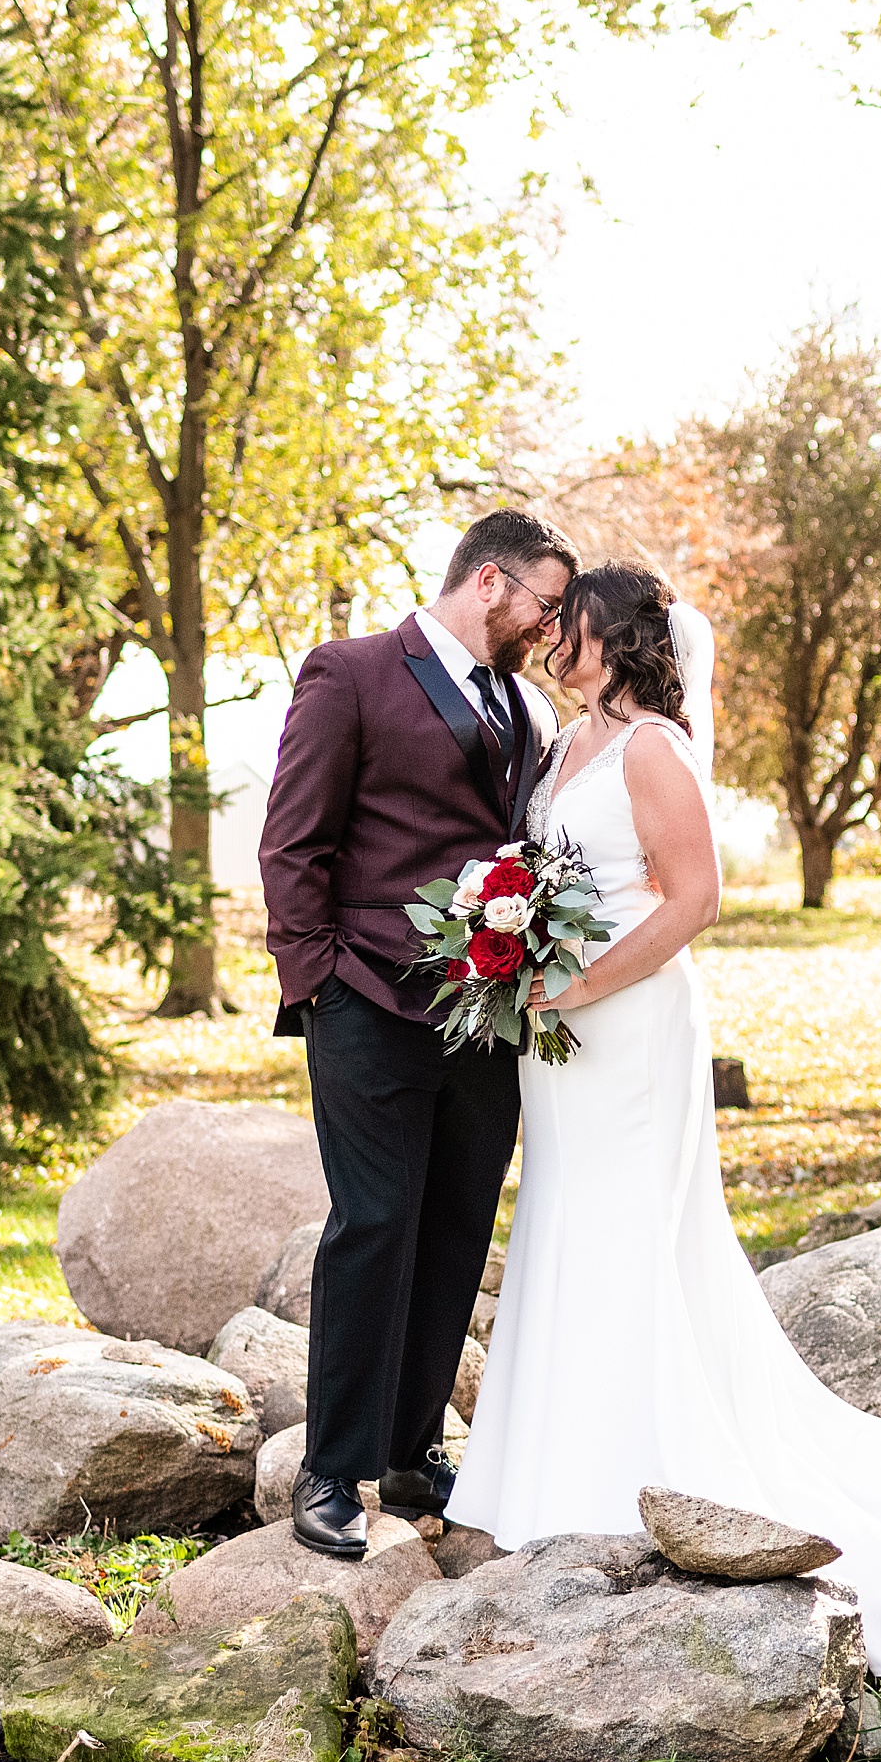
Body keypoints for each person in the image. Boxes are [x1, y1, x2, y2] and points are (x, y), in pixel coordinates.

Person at [445, 561, 881, 1674]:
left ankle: (622, 1467)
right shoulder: (562, 739)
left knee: (626, 1229)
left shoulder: (653, 748)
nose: (551, 628)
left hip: (626, 1028)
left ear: (614, 633)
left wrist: (581, 983)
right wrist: (517, 938)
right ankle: (542, 1468)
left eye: (569, 616)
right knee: (562, 1222)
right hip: (558, 1041)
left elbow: (694, 900)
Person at [259, 508, 579, 1559]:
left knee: (453, 1228)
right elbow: (292, 842)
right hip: (367, 1002)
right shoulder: (348, 671)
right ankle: (329, 1469)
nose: (549, 624)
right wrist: (318, 985)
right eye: (543, 600)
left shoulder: (522, 710)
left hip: (480, 1016)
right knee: (373, 1223)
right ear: (489, 582)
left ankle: (406, 1449)